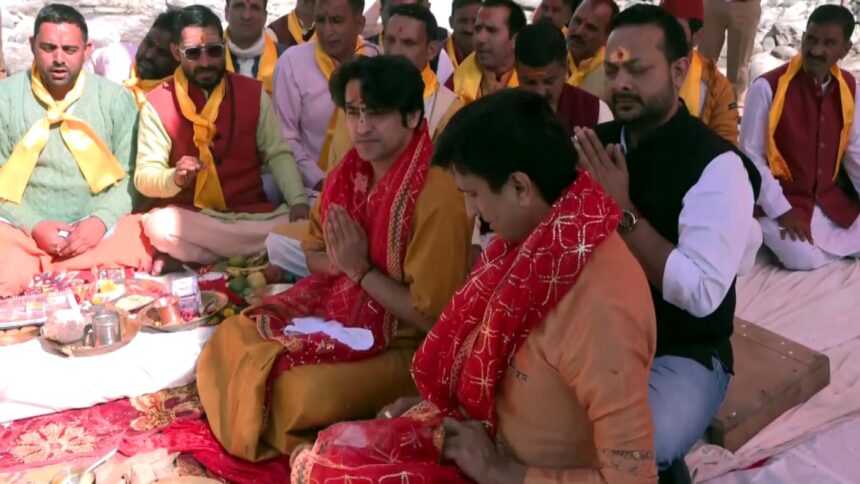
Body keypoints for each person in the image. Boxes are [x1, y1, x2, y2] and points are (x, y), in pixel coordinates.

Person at [292, 88, 658, 484]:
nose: (470, 212)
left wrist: (498, 470)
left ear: (520, 188)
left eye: (473, 195)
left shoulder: (602, 304)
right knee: (329, 453)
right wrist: (431, 411)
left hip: (513, 472)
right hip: (483, 447)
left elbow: (633, 479)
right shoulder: (531, 245)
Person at [197, 55, 473, 461]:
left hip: (406, 346)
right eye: (354, 112)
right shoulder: (350, 173)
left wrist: (359, 271)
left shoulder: (438, 195)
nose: (361, 127)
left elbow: (435, 320)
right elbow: (313, 253)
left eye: (376, 114)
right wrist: (346, 266)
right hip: (341, 312)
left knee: (294, 392)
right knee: (236, 335)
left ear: (414, 116)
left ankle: (302, 444)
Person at [573, 5, 760, 478]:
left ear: (679, 71)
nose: (619, 84)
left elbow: (699, 294)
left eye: (637, 70)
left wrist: (623, 212)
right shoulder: (599, 142)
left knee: (627, 453)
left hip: (683, 352)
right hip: (598, 337)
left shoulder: (717, 166)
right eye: (612, 71)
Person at [267, 4, 464, 278]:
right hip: (355, 214)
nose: (396, 50)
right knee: (277, 242)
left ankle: (356, 273)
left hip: (411, 222)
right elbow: (339, 171)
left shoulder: (447, 107)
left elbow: (456, 191)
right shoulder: (359, 96)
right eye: (390, 40)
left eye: (407, 43)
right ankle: (351, 270)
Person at [134, 5, 309, 272]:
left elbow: (277, 153)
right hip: (192, 216)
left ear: (224, 47)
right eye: (193, 53)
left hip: (250, 213)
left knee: (304, 223)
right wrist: (175, 178)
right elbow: (145, 176)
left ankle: (199, 256)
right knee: (160, 227)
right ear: (175, 53)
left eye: (214, 51)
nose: (205, 63)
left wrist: (297, 200)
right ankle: (256, 253)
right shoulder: (158, 102)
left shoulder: (251, 93)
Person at [0, 4, 151, 297]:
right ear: (32, 46)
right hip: (23, 234)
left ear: (87, 50)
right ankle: (65, 272)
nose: (58, 59)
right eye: (48, 48)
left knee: (143, 238)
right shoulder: (5, 99)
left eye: (69, 49)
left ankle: (50, 273)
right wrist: (34, 225)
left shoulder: (115, 99)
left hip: (100, 233)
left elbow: (133, 176)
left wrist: (99, 221)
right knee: (5, 271)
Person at [740, 4, 859, 271]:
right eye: (811, 39)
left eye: (829, 43)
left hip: (829, 199)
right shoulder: (766, 88)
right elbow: (751, 158)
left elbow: (855, 152)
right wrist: (782, 210)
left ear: (845, 50)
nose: (816, 50)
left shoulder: (849, 88)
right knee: (803, 260)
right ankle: (760, 229)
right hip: (781, 201)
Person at [272, 0, 377, 195]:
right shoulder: (292, 63)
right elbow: (285, 137)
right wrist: (321, 182)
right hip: (309, 190)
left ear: (360, 23)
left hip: (367, 189)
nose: (327, 32)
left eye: (337, 21)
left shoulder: (376, 61)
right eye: (320, 20)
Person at [661, 0, 739, 145]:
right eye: (660, 27)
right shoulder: (632, 70)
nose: (665, 36)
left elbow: (727, 145)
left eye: (675, 29)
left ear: (697, 37)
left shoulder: (716, 86)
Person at [516, 21, 612, 136]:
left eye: (549, 81)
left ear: (565, 67)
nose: (540, 93)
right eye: (530, 82)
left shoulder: (597, 112)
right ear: (516, 69)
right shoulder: (499, 113)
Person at [87, 9, 181, 109]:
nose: (149, 55)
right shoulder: (118, 61)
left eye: (162, 52)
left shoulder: (177, 101)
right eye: (148, 43)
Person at [446, 0, 526, 104]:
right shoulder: (455, 83)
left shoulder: (533, 80)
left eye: (492, 30)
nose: (480, 38)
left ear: (515, 39)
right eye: (478, 29)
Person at [365, 0, 455, 85]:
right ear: (381, 12)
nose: (396, 51)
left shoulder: (440, 60)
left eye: (408, 43)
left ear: (431, 50)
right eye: (394, 11)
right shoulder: (365, 52)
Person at [698, 0, 761, 114]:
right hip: (714, 4)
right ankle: (699, 101)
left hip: (746, 4)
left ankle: (734, 106)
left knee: (739, 63)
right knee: (704, 60)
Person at [224, 0, 285, 95]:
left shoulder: (287, 61)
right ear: (226, 13)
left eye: (254, 7)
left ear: (265, 17)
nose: (246, 16)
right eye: (239, 6)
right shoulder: (204, 59)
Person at [565, 0, 617, 99]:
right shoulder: (550, 58)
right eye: (577, 21)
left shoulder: (612, 78)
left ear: (608, 36)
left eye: (590, 27)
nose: (579, 32)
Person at [446, 0, 482, 70]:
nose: (469, 29)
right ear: (451, 22)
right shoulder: (434, 59)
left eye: (475, 21)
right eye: (463, 21)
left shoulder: (497, 59)